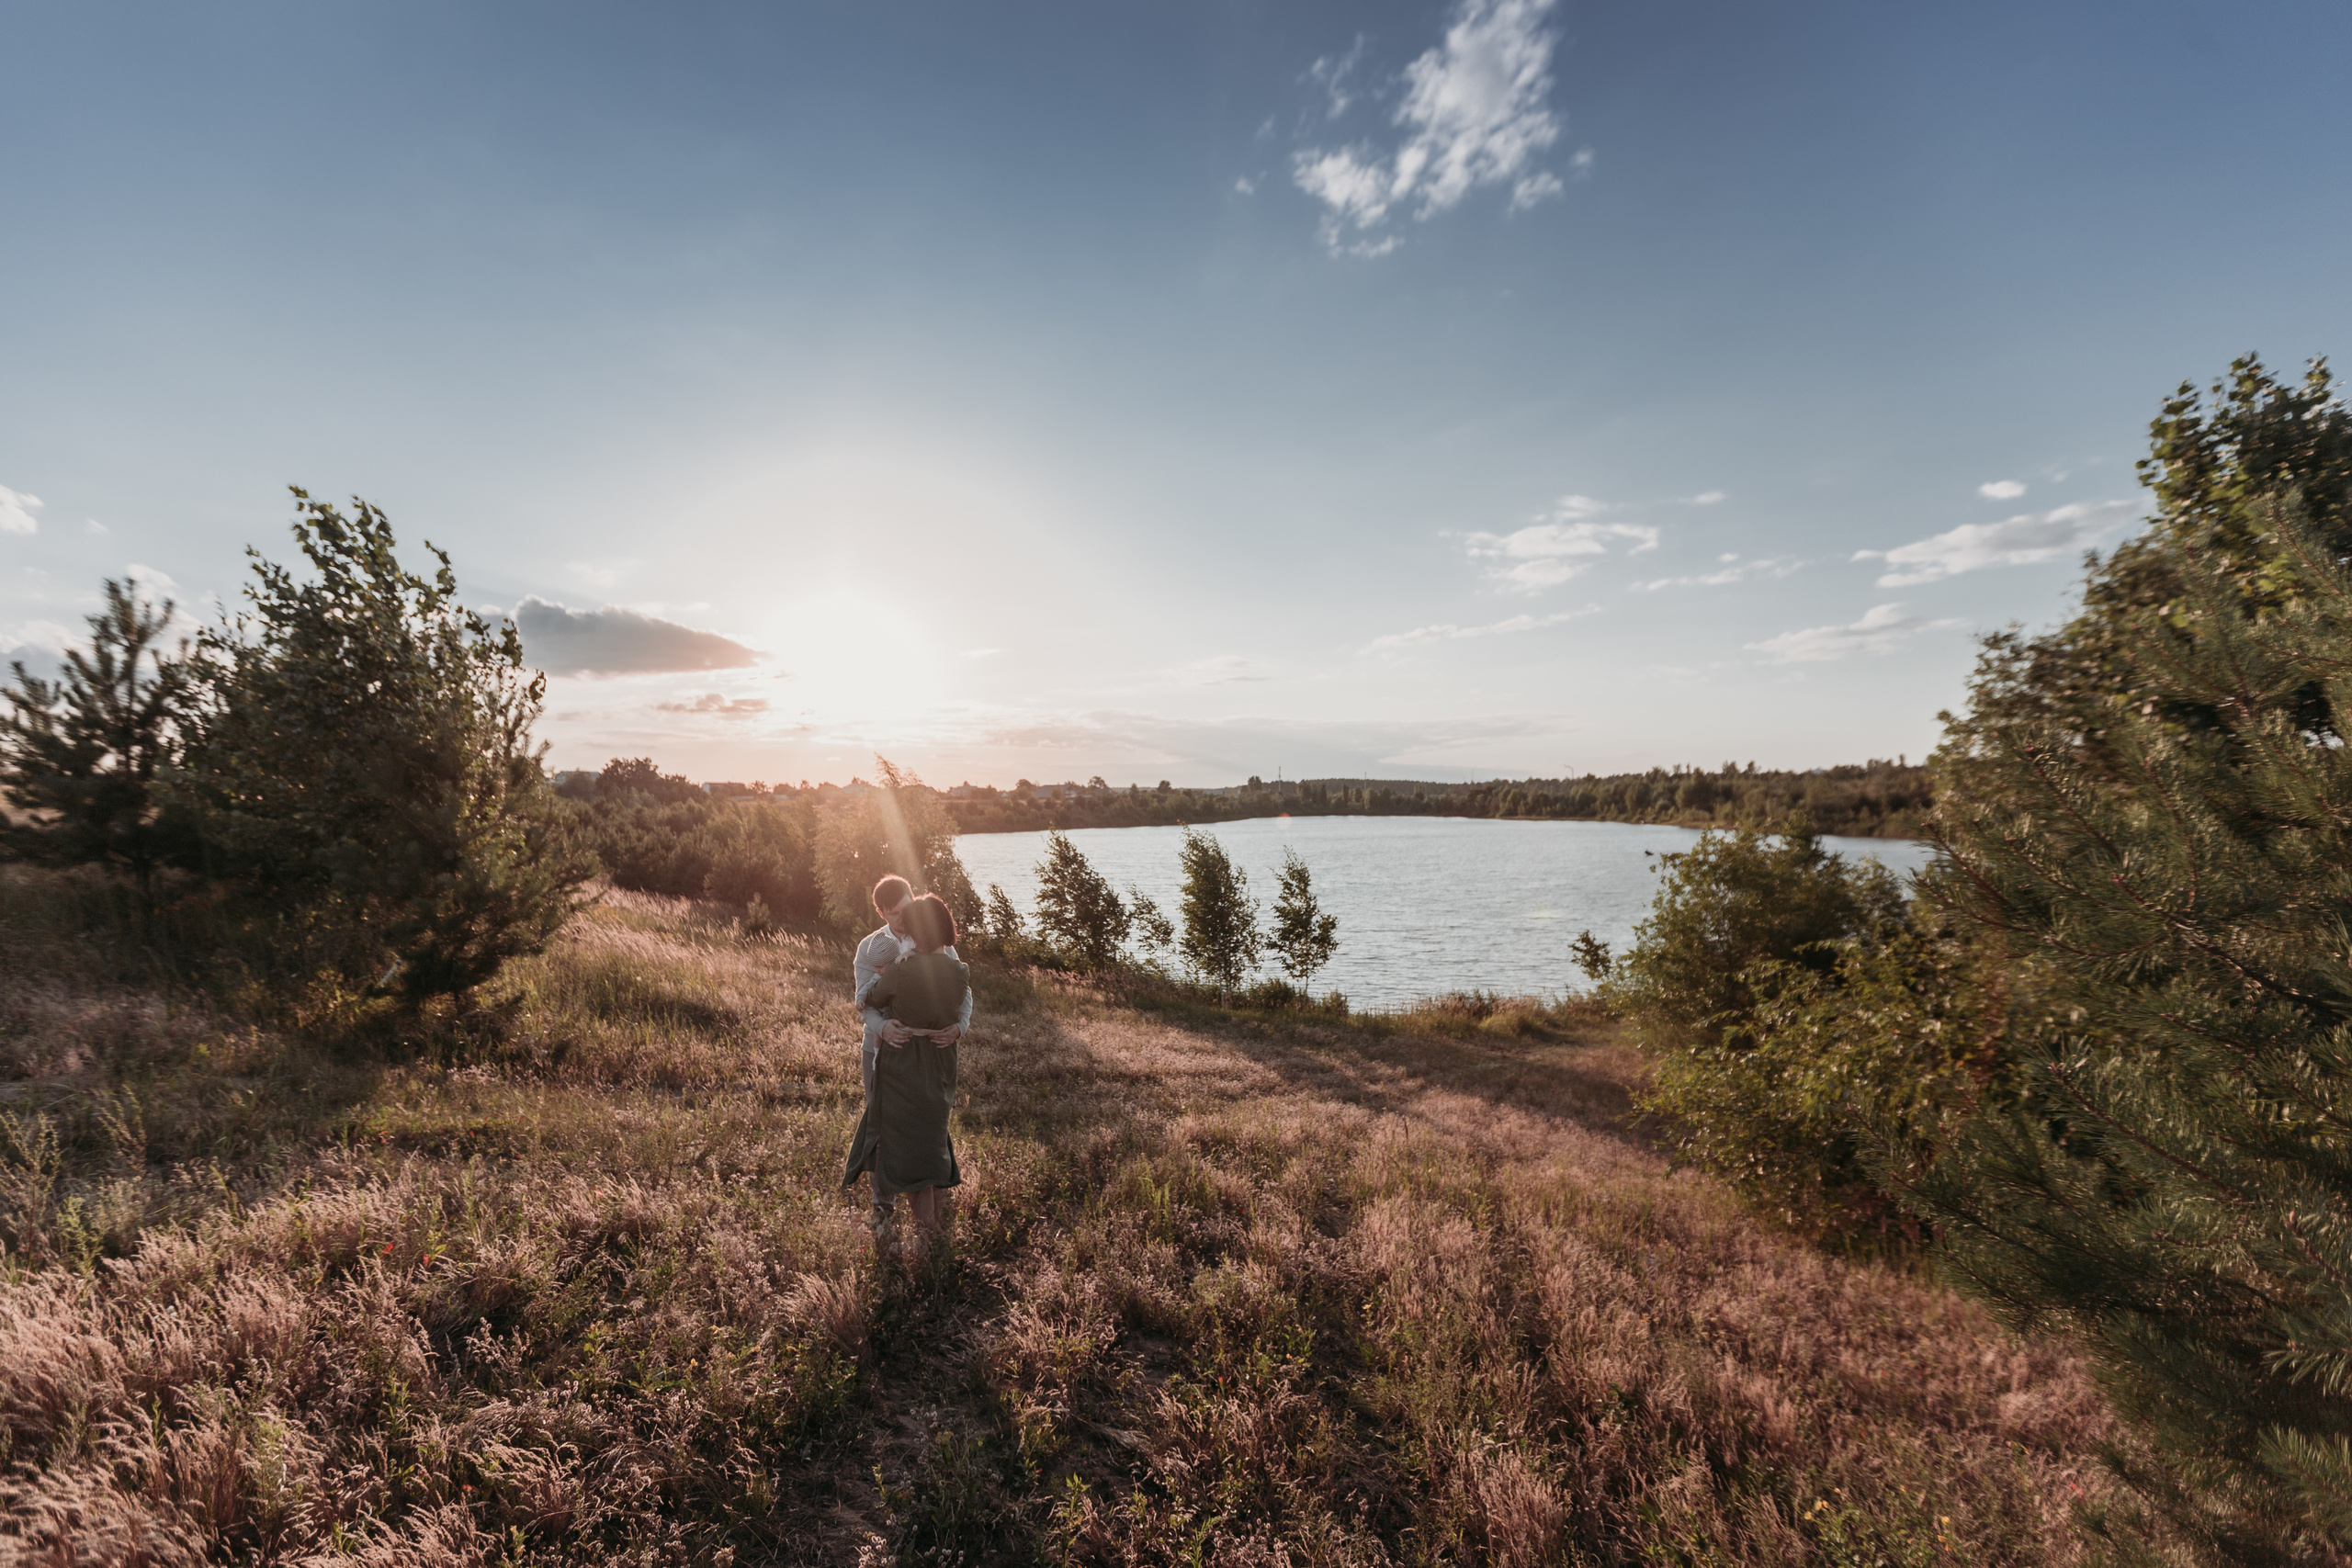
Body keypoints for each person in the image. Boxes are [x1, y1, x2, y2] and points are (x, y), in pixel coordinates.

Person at [842, 877, 972, 1258]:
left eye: (908, 907)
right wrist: (884, 1028)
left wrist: (958, 1027)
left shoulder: (935, 943)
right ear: (882, 912)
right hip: (881, 1052)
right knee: (881, 1127)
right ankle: (884, 1206)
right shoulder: (871, 948)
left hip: (927, 1053)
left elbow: (964, 997)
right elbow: (862, 1001)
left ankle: (934, 1191)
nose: (904, 918)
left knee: (930, 1124)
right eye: (896, 913)